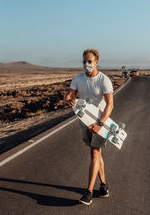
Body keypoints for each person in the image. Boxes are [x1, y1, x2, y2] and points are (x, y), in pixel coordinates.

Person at [65, 49, 114, 205]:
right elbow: (70, 94)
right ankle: (104, 186)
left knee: (94, 153)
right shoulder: (78, 78)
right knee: (96, 155)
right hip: (84, 121)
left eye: (89, 61)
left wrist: (100, 124)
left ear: (96, 62)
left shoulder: (103, 80)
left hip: (100, 122)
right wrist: (69, 98)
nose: (86, 64)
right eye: (84, 61)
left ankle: (89, 192)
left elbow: (110, 104)